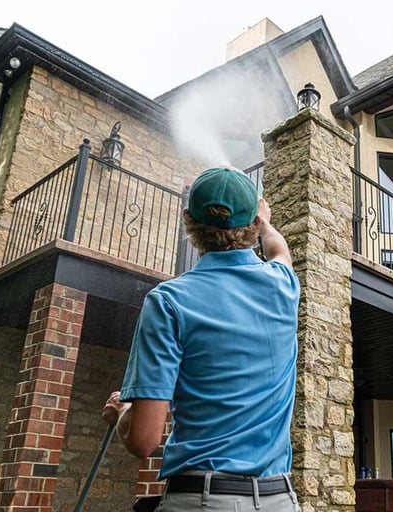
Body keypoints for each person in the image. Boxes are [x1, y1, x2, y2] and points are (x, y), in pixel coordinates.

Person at [102, 167, 301, 511]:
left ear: (188, 222)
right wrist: (266, 223)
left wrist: (121, 413)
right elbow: (279, 250)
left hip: (203, 500)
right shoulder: (282, 285)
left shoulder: (167, 302)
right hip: (278, 500)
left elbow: (143, 440)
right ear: (253, 222)